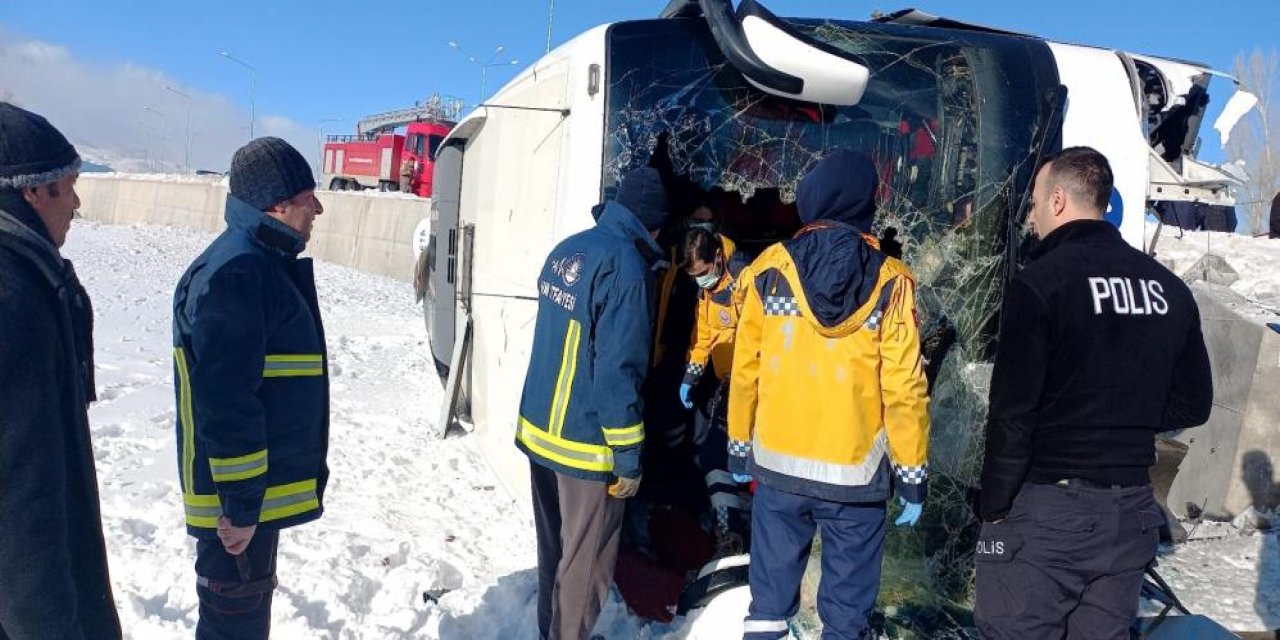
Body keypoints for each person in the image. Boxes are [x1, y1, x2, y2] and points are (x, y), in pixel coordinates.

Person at [975, 147, 1213, 640]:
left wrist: (994, 508)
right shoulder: (1168, 289)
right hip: (1129, 514)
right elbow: (1194, 402)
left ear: (1059, 200)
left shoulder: (1040, 283)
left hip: (1049, 515)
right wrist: (1124, 417)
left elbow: (1012, 415)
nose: (1032, 215)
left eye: (1036, 202)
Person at [728, 149, 930, 640]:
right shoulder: (892, 281)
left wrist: (738, 443)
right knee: (845, 618)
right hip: (855, 480)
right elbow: (904, 386)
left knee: (768, 608)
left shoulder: (767, 270)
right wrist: (912, 472)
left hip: (777, 473)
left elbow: (745, 370)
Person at [172, 137, 330, 639]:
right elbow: (226, 401)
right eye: (309, 198)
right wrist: (240, 508)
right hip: (235, 513)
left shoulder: (257, 263)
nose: (318, 209)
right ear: (278, 202)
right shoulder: (241, 272)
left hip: (246, 504)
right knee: (233, 628)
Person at [516, 166, 671, 640]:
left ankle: (554, 634)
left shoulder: (572, 248)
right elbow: (617, 372)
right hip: (584, 447)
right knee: (585, 569)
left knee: (555, 555)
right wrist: (627, 458)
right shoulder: (627, 267)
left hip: (540, 435)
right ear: (654, 222)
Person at [0, 102, 123, 639]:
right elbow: (22, 500)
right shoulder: (13, 299)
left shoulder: (30, 279)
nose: (76, 203)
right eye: (68, 186)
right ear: (31, 192)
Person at [676, 225, 750, 553]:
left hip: (752, 383)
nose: (701, 282)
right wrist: (690, 377)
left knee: (721, 457)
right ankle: (730, 530)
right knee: (714, 457)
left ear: (718, 258)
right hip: (729, 382)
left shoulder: (746, 281)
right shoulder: (708, 290)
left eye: (704, 274)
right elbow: (704, 335)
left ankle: (733, 534)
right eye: (695, 277)